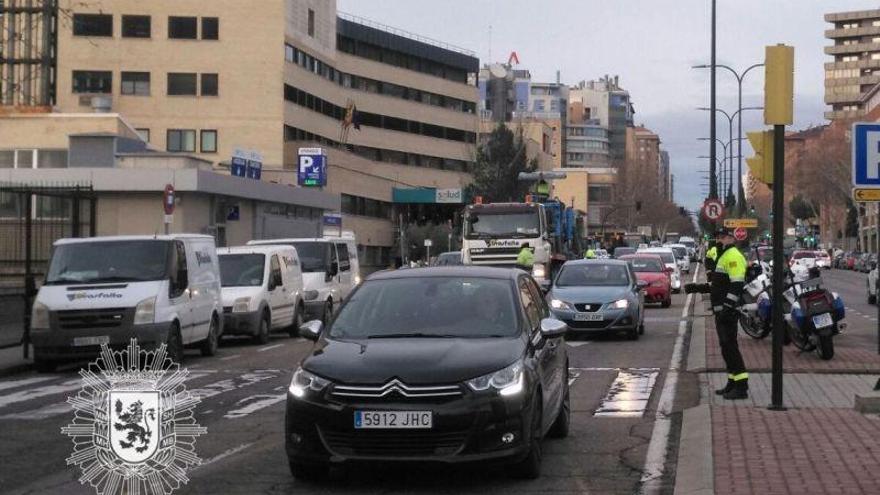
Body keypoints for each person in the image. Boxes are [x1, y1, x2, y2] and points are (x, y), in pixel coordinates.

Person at [711, 227, 749, 399]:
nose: (719, 240)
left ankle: (741, 387)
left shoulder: (733, 256)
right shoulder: (723, 256)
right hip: (721, 311)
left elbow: (736, 285)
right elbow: (719, 284)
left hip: (728, 312)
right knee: (726, 348)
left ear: (731, 239)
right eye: (718, 237)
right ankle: (732, 382)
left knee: (731, 347)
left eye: (723, 237)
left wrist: (727, 307)